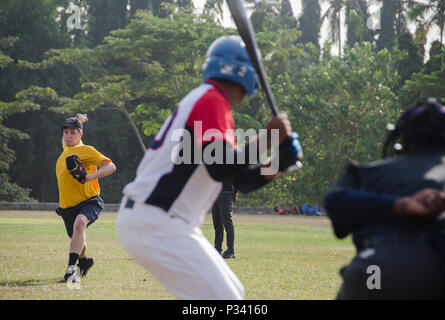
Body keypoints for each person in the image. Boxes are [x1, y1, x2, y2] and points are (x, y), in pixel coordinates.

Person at [116, 35, 302, 300]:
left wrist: (279, 162)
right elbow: (220, 166)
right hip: (156, 220)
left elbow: (242, 181)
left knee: (233, 293)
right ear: (247, 75)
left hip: (161, 220)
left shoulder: (208, 102)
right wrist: (269, 137)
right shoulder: (212, 100)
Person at [324, 98, 445, 299]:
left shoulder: (369, 172)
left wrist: (400, 205)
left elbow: (335, 202)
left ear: (404, 139)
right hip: (440, 268)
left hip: (375, 269)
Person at [55, 114, 116, 283]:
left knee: (80, 223)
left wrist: (88, 177)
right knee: (77, 234)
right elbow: (71, 132)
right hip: (67, 207)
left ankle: (71, 271)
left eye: (72, 133)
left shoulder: (87, 150)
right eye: (66, 132)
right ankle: (84, 261)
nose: (68, 135)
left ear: (80, 135)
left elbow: (110, 166)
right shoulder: (66, 148)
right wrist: (79, 119)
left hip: (89, 200)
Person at [212, 179, 237, 259]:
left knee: (227, 222)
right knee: (217, 224)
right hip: (214, 194)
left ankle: (230, 251)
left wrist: (235, 193)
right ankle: (217, 249)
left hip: (226, 193)